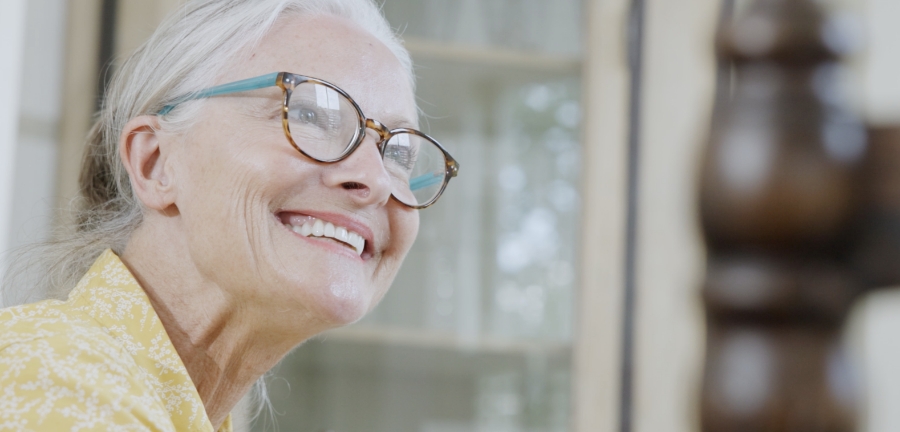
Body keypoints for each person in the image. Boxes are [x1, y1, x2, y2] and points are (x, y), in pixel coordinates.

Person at [0, 0, 458, 430]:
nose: (376, 180)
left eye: (398, 152)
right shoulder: (56, 373)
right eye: (312, 115)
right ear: (156, 163)